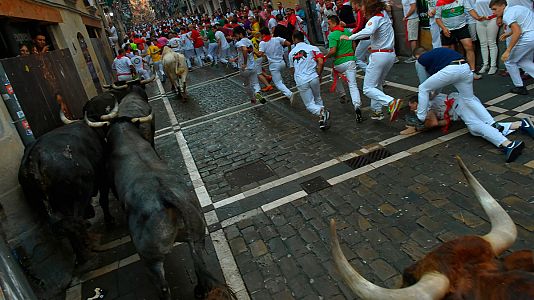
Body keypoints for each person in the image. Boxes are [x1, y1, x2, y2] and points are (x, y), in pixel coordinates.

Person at [342, 0, 403, 122]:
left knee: (368, 88)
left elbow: (367, 31)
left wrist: (349, 37)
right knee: (377, 84)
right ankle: (377, 111)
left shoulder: (375, 19)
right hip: (389, 54)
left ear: (369, 8)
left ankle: (391, 102)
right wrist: (375, 45)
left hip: (379, 56)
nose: (362, 12)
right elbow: (382, 33)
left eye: (363, 8)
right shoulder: (384, 15)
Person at [490, 0, 534, 95]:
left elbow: (517, 32)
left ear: (502, 6)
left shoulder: (507, 15)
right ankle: (520, 86)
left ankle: (520, 87)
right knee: (522, 60)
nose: (493, 12)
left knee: (509, 61)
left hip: (528, 38)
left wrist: (508, 50)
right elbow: (523, 24)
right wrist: (509, 33)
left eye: (495, 9)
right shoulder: (518, 8)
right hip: (531, 35)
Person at [289, 31, 331, 130]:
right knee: (317, 97)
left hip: (301, 80)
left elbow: (292, 69)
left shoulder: (291, 53)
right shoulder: (313, 48)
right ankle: (322, 120)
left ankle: (322, 112)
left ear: (295, 39)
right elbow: (321, 62)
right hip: (313, 77)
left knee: (309, 105)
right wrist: (319, 74)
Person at [325, 15, 363, 123]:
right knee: (353, 85)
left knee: (334, 76)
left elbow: (333, 51)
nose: (328, 26)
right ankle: (357, 106)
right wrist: (353, 55)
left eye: (329, 24)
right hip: (351, 60)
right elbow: (354, 43)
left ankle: (342, 94)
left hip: (339, 63)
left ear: (333, 23)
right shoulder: (347, 31)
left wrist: (325, 57)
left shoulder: (332, 35)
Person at [434, 0, 485, 79]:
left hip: (462, 27)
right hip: (448, 29)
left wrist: (478, 17)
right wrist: (444, 29)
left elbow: (470, 10)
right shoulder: (440, 2)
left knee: (469, 46)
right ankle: (445, 72)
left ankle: (472, 71)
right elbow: (437, 18)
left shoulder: (462, 0)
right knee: (445, 51)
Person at [232, 26, 265, 105]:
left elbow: (245, 50)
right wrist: (235, 59)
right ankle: (257, 92)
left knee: (246, 84)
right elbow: (250, 51)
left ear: (240, 34)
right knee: (255, 83)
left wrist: (245, 63)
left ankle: (252, 98)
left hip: (244, 68)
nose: (235, 38)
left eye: (236, 36)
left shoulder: (239, 43)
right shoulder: (250, 41)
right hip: (253, 66)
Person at [258, 27, 294, 101]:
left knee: (277, 82)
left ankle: (289, 94)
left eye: (260, 35)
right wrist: (289, 52)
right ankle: (284, 93)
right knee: (280, 79)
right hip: (282, 62)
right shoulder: (277, 39)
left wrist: (253, 51)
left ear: (263, 34)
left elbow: (260, 54)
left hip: (274, 65)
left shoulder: (263, 43)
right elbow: (288, 43)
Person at [474, 0, 499, 75]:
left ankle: (493, 65)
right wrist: (477, 17)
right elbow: (471, 8)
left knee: (492, 42)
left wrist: (499, 17)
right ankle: (485, 64)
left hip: (492, 18)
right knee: (483, 43)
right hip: (480, 20)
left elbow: (500, 6)